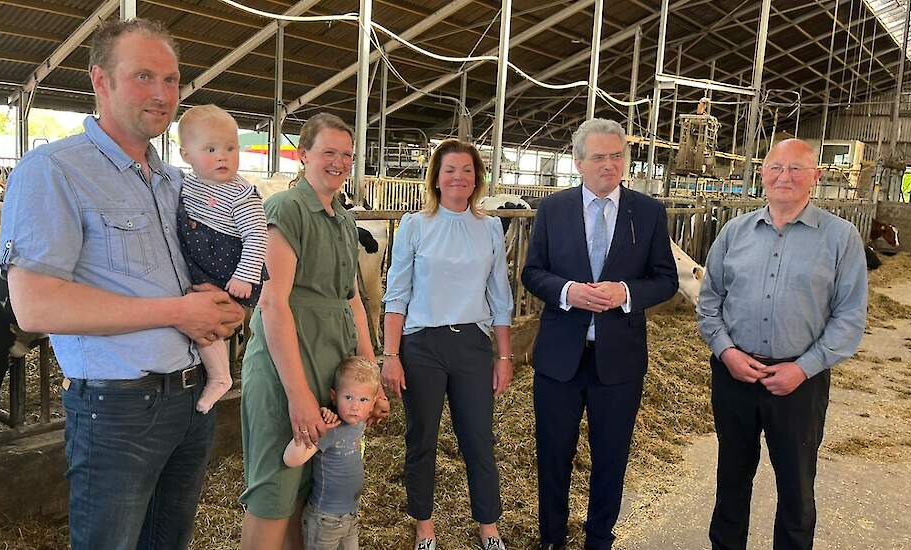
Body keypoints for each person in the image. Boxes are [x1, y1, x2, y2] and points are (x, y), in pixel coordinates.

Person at [0, 18, 245, 550]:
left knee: (168, 541)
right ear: (101, 82)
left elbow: (217, 263)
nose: (161, 94)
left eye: (172, 80)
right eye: (143, 77)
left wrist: (229, 304)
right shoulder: (53, 170)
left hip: (190, 399)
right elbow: (35, 305)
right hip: (118, 410)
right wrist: (180, 312)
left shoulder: (178, 181)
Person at [697, 138, 867, 550]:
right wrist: (727, 352)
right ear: (762, 174)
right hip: (735, 374)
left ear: (816, 177)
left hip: (799, 381)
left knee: (796, 484)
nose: (783, 177)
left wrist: (803, 368)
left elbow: (849, 316)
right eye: (775, 167)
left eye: (796, 169)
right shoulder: (734, 232)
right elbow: (709, 301)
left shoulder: (840, 238)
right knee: (732, 477)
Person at [521, 119, 678, 550]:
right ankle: (552, 537)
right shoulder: (553, 209)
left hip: (619, 359)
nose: (609, 165)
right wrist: (568, 291)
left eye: (616, 156)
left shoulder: (648, 213)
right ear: (578, 162)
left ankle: (599, 539)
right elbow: (532, 273)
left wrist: (625, 292)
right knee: (553, 454)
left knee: (611, 457)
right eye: (598, 157)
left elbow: (665, 279)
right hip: (559, 357)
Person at [239, 112, 389, 550]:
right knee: (273, 489)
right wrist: (299, 395)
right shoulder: (285, 210)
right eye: (328, 152)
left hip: (330, 365)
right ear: (303, 155)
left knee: (309, 488)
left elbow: (353, 300)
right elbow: (272, 301)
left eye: (347, 154)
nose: (339, 161)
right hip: (287, 365)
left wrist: (371, 378)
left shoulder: (342, 219)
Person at [381, 139, 515, 550]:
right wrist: (390, 355)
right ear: (436, 179)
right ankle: (424, 524)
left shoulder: (490, 226)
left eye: (467, 170)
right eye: (450, 170)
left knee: (478, 436)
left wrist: (504, 355)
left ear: (477, 178)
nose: (459, 177)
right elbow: (396, 291)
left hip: (472, 344)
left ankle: (488, 525)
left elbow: (500, 296)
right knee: (422, 437)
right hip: (421, 344)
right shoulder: (415, 225)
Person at [176, 104, 268, 413]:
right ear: (186, 154)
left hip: (229, 269)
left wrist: (245, 275)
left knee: (210, 318)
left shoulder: (241, 193)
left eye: (230, 148)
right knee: (197, 313)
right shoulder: (182, 183)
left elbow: (257, 235)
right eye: (211, 149)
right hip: (200, 262)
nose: (222, 156)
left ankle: (219, 375)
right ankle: (218, 373)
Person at [283, 356, 381, 550]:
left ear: (372, 402)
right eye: (348, 397)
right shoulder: (331, 428)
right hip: (325, 519)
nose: (355, 406)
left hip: (351, 516)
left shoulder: (360, 422)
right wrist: (320, 426)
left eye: (363, 400)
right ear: (334, 396)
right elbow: (291, 459)